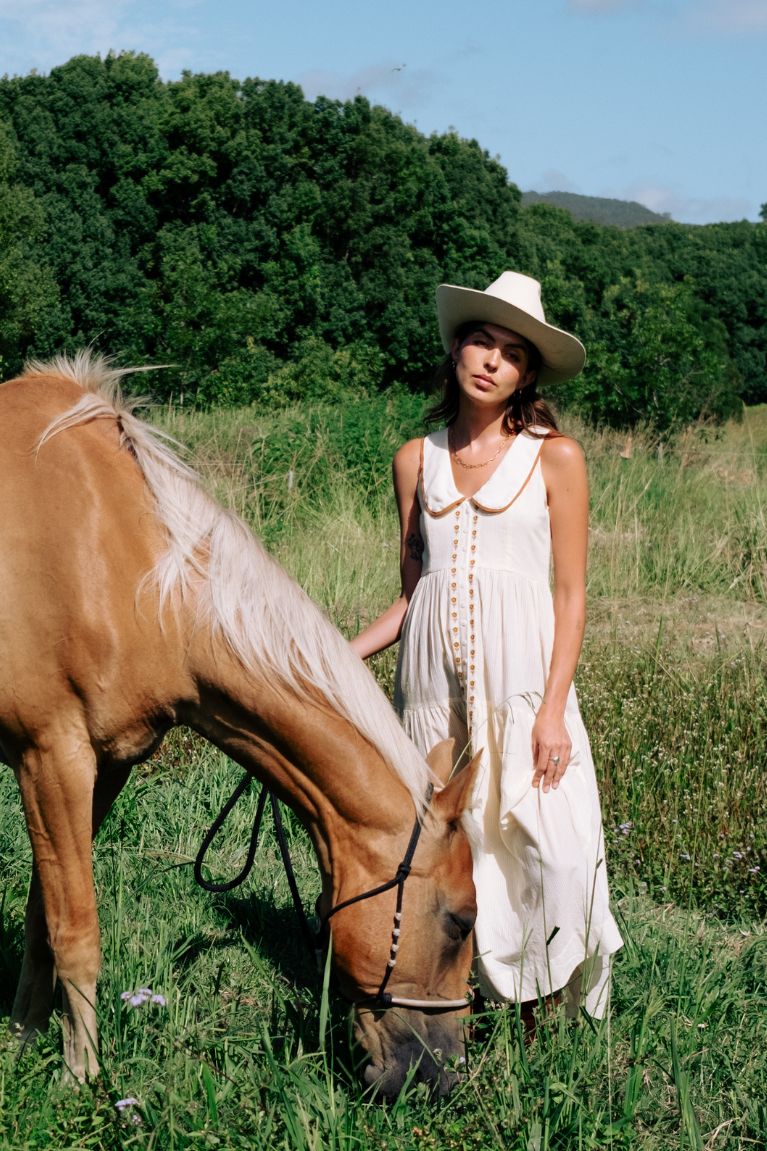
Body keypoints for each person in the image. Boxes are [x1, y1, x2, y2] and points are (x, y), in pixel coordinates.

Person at [350, 271, 622, 1022]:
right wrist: (340, 657)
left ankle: (548, 1006)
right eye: (479, 340)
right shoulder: (414, 459)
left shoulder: (555, 457)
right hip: (431, 693)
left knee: (551, 847)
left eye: (510, 352)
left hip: (523, 689)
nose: (490, 360)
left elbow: (570, 593)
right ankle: (445, 998)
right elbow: (413, 595)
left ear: (526, 373)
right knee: (444, 850)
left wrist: (553, 710)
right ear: (455, 349)